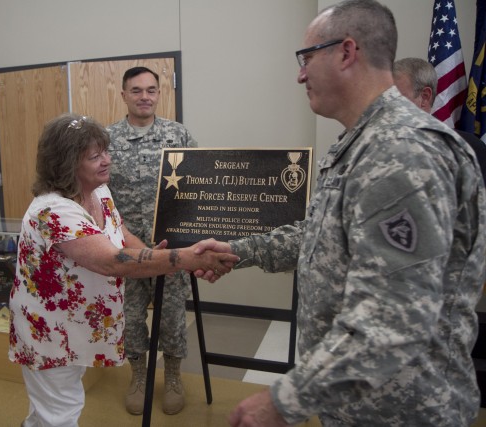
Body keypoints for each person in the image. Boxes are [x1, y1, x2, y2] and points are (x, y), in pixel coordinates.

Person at [195, 1, 486, 426]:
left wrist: (284, 401)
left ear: (346, 52)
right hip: (356, 403)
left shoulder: (401, 151)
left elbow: (394, 318)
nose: (300, 74)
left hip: (404, 409)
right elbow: (322, 236)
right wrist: (240, 250)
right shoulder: (362, 141)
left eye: (307, 58)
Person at [8, 113, 237, 427]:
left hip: (72, 323)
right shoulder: (53, 210)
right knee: (59, 412)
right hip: (48, 328)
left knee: (55, 405)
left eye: (106, 151)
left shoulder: (97, 191)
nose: (107, 160)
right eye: (95, 156)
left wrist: (150, 254)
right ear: (66, 164)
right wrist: (189, 258)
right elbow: (111, 260)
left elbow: (120, 231)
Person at [106, 66, 198, 415]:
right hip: (125, 249)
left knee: (173, 314)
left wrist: (188, 239)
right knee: (130, 315)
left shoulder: (179, 135)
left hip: (170, 247)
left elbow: (196, 186)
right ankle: (139, 375)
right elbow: (97, 192)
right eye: (136, 90)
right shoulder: (106, 139)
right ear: (124, 94)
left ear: (159, 93)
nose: (145, 96)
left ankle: (173, 376)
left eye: (151, 90)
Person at [393, 57, 486, 185]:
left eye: (396, 98)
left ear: (425, 97)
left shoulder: (469, 149)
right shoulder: (383, 145)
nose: (388, 105)